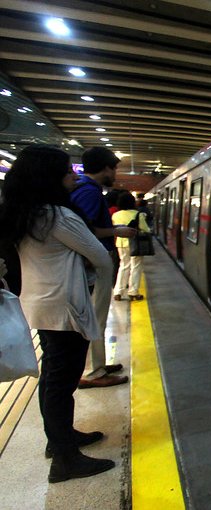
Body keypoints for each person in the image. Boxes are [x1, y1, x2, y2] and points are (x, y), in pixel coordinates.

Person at [0, 144, 116, 482]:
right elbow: (101, 256)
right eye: (68, 171)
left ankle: (60, 439)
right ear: (51, 176)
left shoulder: (23, 213)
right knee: (61, 383)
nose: (73, 177)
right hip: (66, 308)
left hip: (39, 306)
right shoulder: (58, 215)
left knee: (53, 378)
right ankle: (65, 459)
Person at [70, 147, 135, 389]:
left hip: (92, 262)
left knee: (96, 316)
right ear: (105, 168)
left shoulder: (86, 190)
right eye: (114, 168)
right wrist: (116, 231)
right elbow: (81, 230)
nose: (115, 173)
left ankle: (98, 363)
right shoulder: (89, 192)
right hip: (94, 262)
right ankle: (96, 372)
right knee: (96, 318)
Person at [111, 193, 150, 301]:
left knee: (123, 266)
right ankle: (133, 292)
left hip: (121, 244)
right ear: (133, 202)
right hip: (135, 244)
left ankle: (118, 292)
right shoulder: (138, 214)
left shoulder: (116, 215)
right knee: (136, 267)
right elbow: (146, 229)